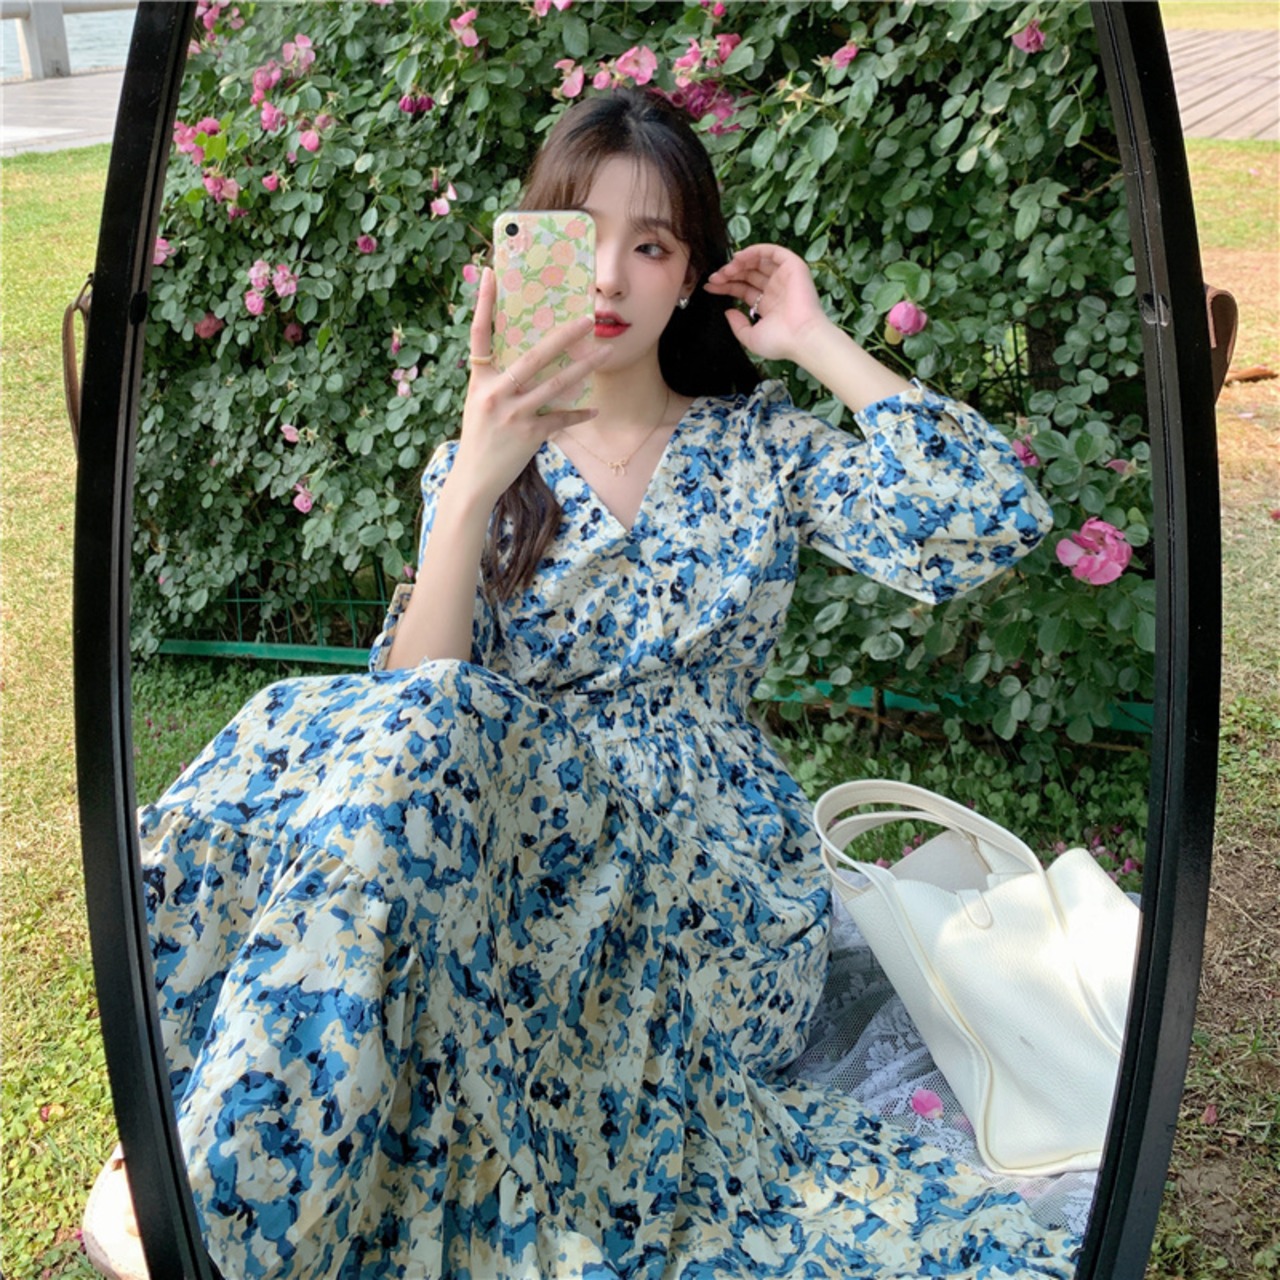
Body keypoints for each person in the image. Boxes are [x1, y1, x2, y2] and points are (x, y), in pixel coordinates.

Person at [140, 89, 1076, 1279]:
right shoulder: (482, 460)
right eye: (577, 234)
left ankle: (208, 1192)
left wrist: (812, 338)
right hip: (525, 861)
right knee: (376, 724)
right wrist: (474, 482)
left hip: (716, 884)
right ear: (522, 248)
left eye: (649, 244)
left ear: (688, 278)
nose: (606, 274)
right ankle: (210, 1156)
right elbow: (403, 721)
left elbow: (987, 517)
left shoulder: (758, 446)